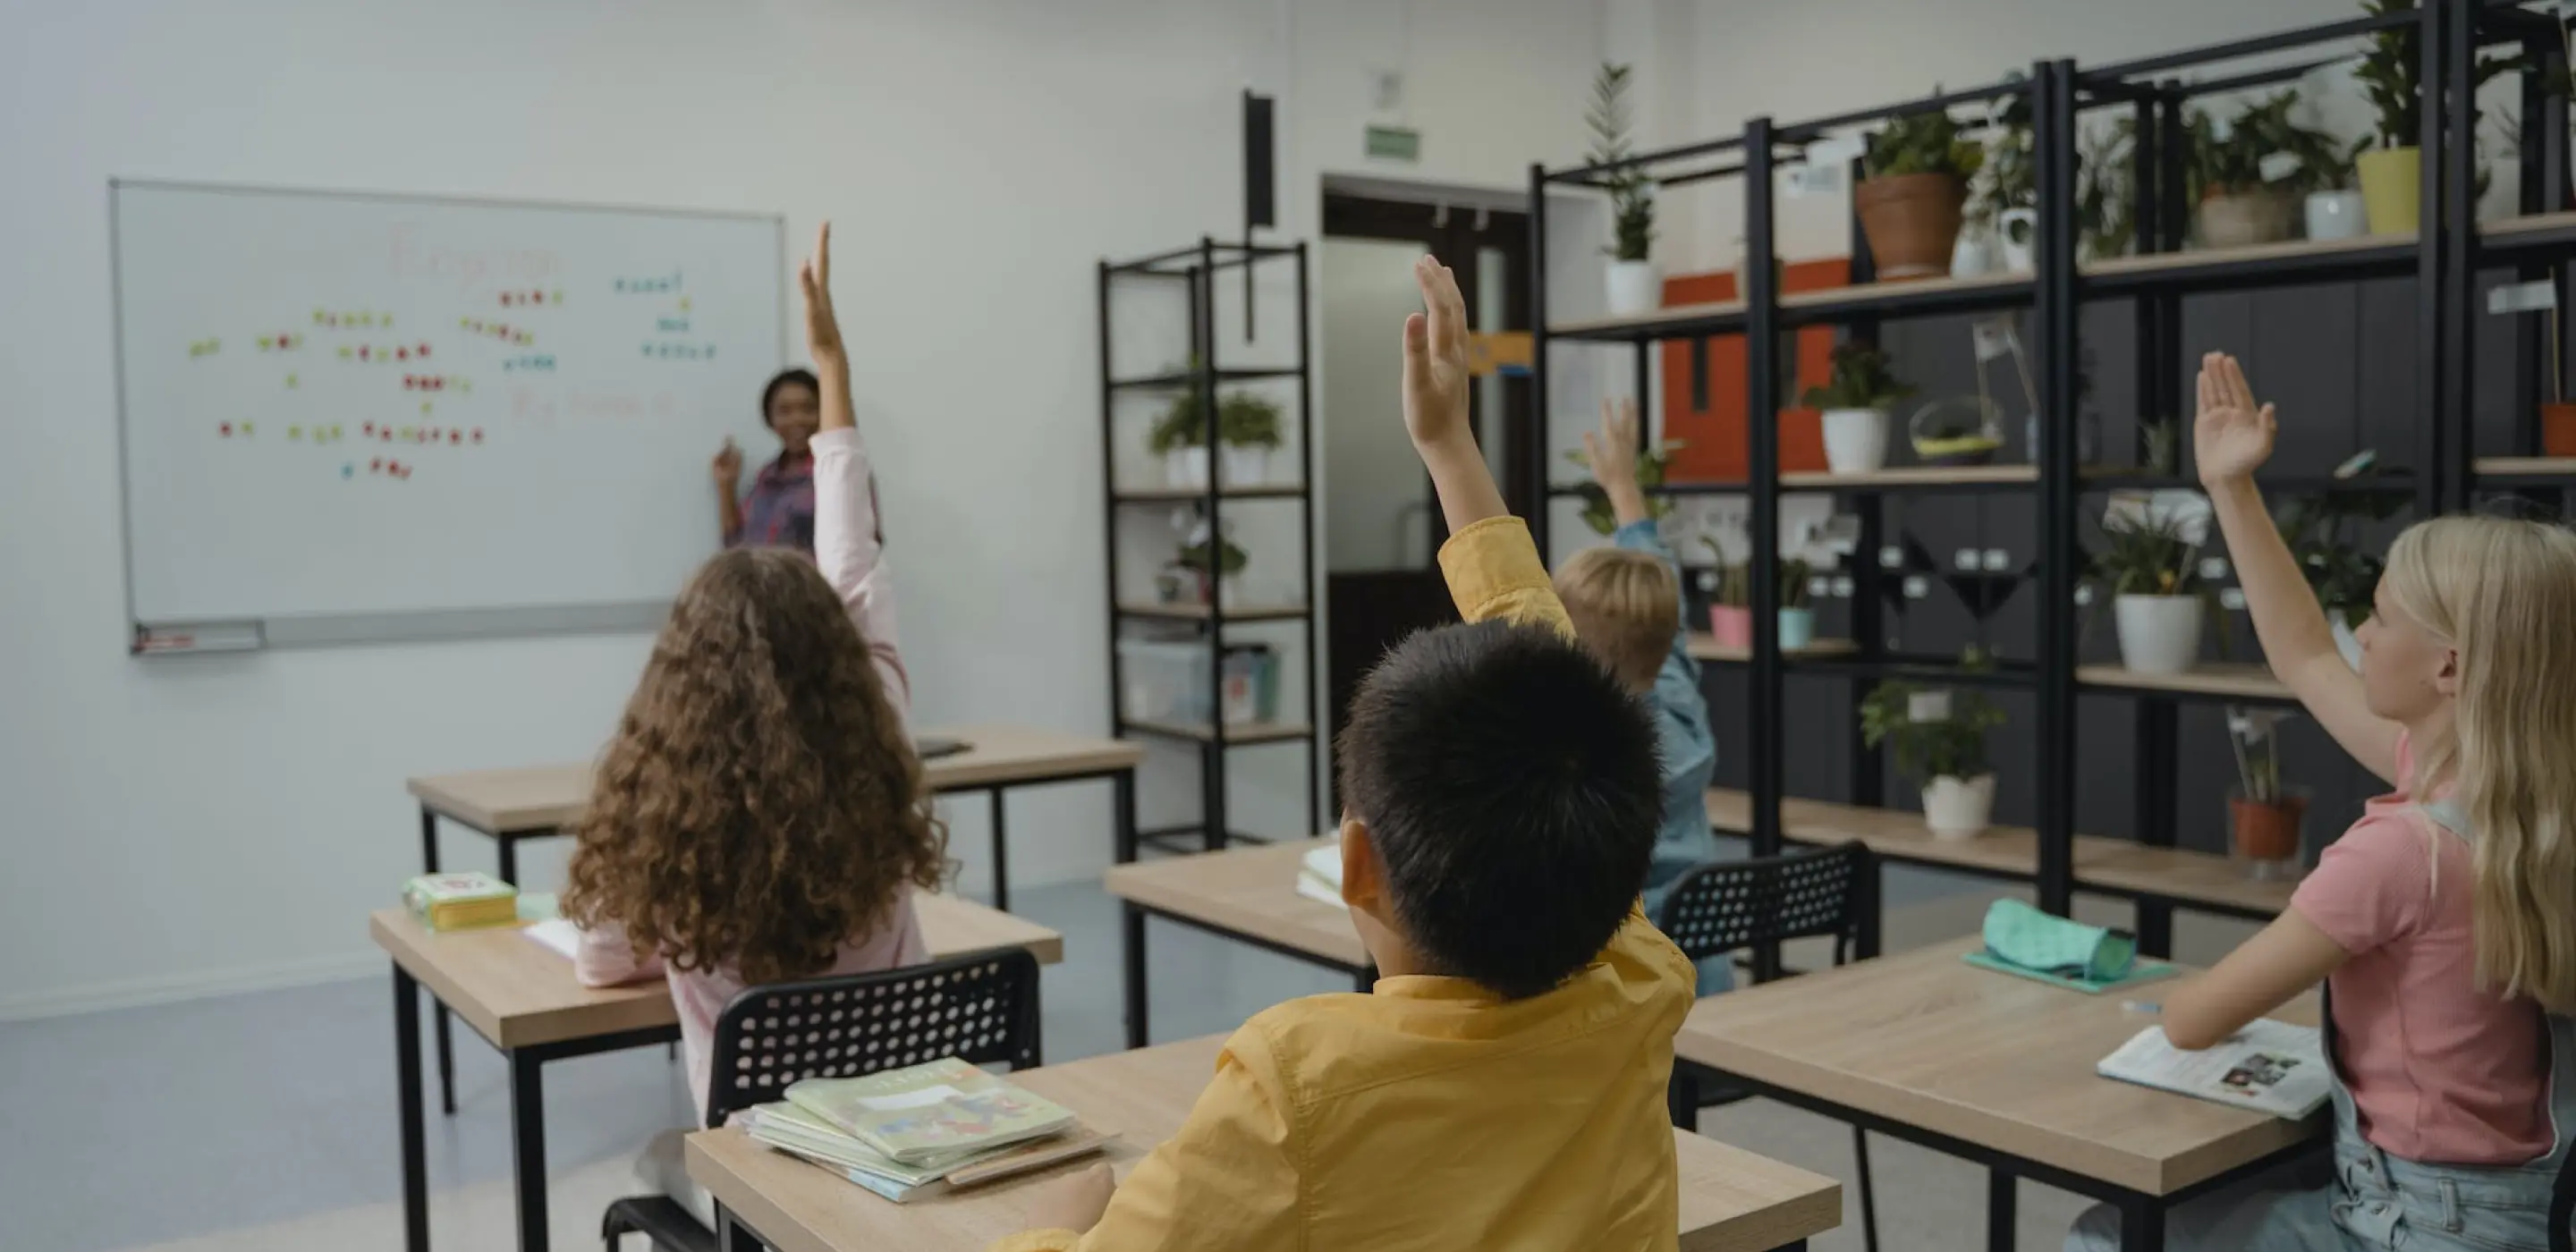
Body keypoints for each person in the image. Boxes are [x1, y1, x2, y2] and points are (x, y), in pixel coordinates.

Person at [997, 255, 1687, 1252]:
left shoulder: (1298, 1081)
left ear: (1356, 866)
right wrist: (1450, 448)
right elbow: (1545, 656)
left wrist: (1051, 1223)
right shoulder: (1639, 980)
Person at [2064, 353, 2576, 1252]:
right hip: (2526, 1211)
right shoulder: (2526, 793)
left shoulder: (2402, 852)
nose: (2362, 633)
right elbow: (2303, 656)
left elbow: (2193, 1017)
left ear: (2449, 667)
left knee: (2108, 1234)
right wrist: (2232, 488)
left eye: (2380, 615)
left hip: (2415, 1222)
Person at [564, 223, 936, 1224]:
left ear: (681, 677)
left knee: (657, 1162)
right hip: (901, 1138)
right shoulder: (884, 731)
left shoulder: (669, 820)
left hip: (763, 1164)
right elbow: (852, 557)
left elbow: (603, 959)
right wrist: (835, 363)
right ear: (841, 650)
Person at [1558, 396, 1730, 994]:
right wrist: (1623, 488)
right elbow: (1668, 613)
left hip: (1625, 1003)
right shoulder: (1676, 693)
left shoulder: (1585, 761)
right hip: (1705, 983)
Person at [714, 367, 825, 551]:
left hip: (811, 580)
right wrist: (727, 486)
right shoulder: (766, 478)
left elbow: (860, 550)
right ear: (770, 419)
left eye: (808, 408)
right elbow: (736, 546)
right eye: (784, 411)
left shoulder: (839, 472)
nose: (797, 419)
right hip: (758, 580)